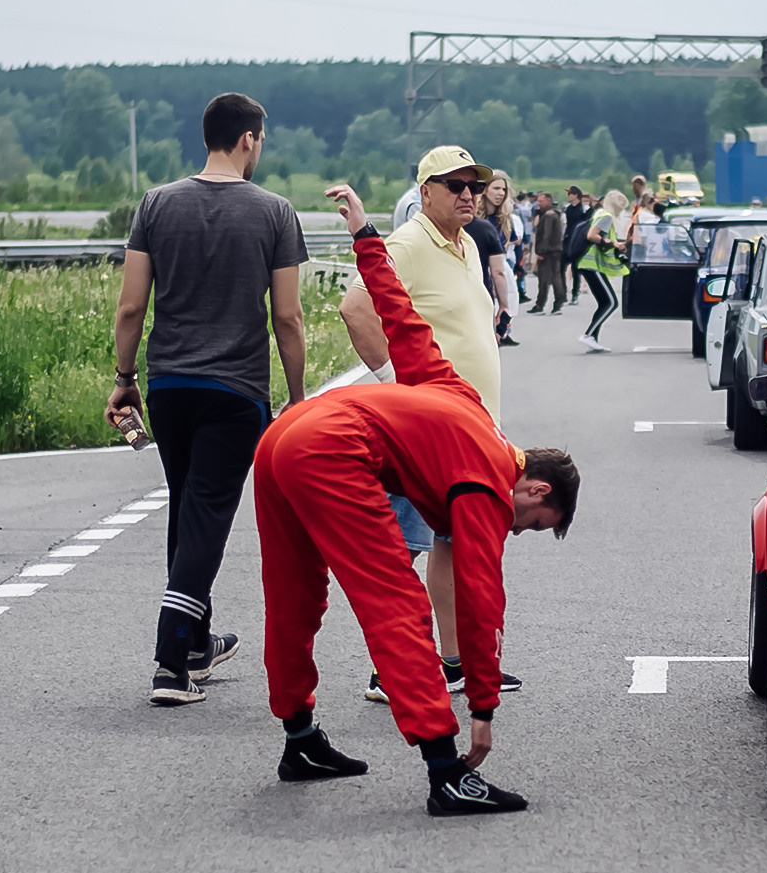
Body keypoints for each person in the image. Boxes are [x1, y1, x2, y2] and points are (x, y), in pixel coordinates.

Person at [256, 181, 580, 815]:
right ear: (535, 487)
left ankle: (300, 739)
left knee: (294, 595)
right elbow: (482, 602)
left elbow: (406, 325)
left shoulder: (468, 407)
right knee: (397, 603)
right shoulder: (488, 479)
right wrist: (482, 709)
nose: (519, 533)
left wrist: (366, 239)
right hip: (331, 449)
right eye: (536, 524)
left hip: (284, 438)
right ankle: (446, 772)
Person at [111, 92, 308, 706]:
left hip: (169, 387)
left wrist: (125, 378)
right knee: (206, 519)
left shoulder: (156, 204)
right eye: (261, 141)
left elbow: (131, 306)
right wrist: (297, 399)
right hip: (235, 391)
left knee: (187, 509)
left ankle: (197, 641)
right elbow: (289, 318)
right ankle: (171, 665)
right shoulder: (275, 212)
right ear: (248, 139)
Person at [340, 145, 517, 700]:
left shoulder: (464, 242)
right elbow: (356, 306)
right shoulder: (410, 243)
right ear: (426, 192)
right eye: (454, 186)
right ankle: (389, 667)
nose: (468, 194)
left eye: (473, 185)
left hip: (468, 425)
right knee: (402, 549)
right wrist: (400, 385)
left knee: (450, 542)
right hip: (426, 429)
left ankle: (453, 661)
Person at [577, 190, 630, 352]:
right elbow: (592, 235)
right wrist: (613, 244)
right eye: (621, 207)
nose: (622, 211)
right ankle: (589, 334)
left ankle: (593, 338)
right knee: (611, 302)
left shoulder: (600, 213)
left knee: (604, 302)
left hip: (588, 264)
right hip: (592, 264)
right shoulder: (607, 216)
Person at [473, 171, 517, 348]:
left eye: (503, 190)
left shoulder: (504, 219)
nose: (500, 193)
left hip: (497, 268)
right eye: (496, 188)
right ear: (485, 190)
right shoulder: (475, 218)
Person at [529, 191, 566, 313]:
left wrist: (541, 251)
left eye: (541, 201)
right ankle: (558, 303)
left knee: (545, 279)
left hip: (548, 252)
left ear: (548, 201)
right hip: (555, 250)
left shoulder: (549, 216)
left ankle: (540, 305)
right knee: (556, 276)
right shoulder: (554, 213)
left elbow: (546, 235)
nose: (538, 204)